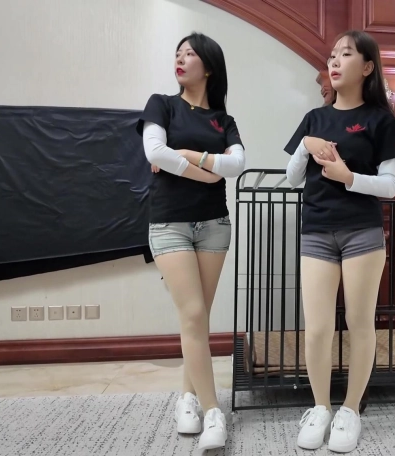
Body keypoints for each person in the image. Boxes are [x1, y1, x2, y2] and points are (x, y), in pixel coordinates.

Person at [283, 30, 395, 453]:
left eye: (346, 54)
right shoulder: (314, 118)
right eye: (332, 55)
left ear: (367, 67)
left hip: (362, 233)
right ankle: (320, 407)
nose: (335, 62)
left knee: (359, 323)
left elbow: (391, 186)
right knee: (318, 328)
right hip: (317, 231)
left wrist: (348, 177)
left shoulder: (381, 119)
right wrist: (305, 145)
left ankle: (350, 410)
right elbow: (293, 178)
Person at [136, 31, 245, 451]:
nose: (180, 59)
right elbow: (155, 153)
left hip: (214, 224)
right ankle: (213, 411)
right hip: (170, 224)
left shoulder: (223, 120)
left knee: (195, 320)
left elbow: (237, 164)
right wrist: (208, 172)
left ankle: (187, 399)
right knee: (195, 314)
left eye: (190, 54)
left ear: (209, 67)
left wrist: (188, 156)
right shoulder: (161, 105)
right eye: (177, 53)